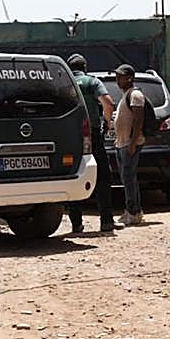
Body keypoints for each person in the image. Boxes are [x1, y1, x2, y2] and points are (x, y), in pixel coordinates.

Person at [65, 54, 120, 234]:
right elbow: (108, 102)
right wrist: (108, 121)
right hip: (92, 135)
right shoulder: (91, 82)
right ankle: (106, 221)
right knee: (103, 177)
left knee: (73, 175)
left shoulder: (65, 82)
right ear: (85, 67)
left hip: (70, 137)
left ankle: (76, 224)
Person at [112, 63, 146, 226]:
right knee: (128, 178)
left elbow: (139, 120)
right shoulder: (126, 94)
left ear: (130, 78)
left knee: (128, 177)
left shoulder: (135, 95)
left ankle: (133, 212)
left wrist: (132, 143)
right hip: (122, 143)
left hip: (130, 144)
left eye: (121, 77)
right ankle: (134, 210)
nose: (117, 80)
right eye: (117, 77)